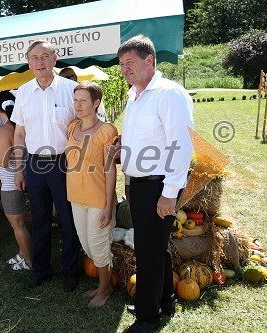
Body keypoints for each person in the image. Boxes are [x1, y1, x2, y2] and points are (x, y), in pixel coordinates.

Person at [117, 35, 193, 332]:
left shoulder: (168, 94)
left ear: (150, 61)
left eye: (130, 62)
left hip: (159, 185)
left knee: (148, 251)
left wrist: (169, 194)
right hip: (140, 184)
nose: (124, 69)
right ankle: (166, 298)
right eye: (121, 64)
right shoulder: (134, 95)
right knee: (154, 247)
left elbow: (181, 145)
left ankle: (148, 318)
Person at [11, 40, 81, 292]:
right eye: (34, 58)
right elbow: (19, 134)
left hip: (64, 163)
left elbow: (88, 127)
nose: (39, 62)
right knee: (39, 219)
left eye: (44, 56)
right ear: (29, 63)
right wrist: (19, 168)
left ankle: (71, 272)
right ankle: (42, 270)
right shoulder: (23, 92)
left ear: (55, 58)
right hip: (34, 163)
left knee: (68, 219)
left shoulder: (72, 91)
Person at [66, 82, 118, 307]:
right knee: (87, 246)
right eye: (75, 100)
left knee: (98, 246)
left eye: (83, 100)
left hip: (98, 198)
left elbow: (110, 168)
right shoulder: (72, 127)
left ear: (96, 103)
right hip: (76, 196)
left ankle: (105, 290)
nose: (77, 105)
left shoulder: (107, 131)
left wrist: (108, 205)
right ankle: (103, 284)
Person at [0, 90, 32, 270]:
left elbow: (3, 160)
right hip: (23, 180)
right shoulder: (22, 127)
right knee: (20, 223)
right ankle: (22, 254)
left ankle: (30, 261)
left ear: (0, 111)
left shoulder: (3, 129)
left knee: (18, 225)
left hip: (9, 183)